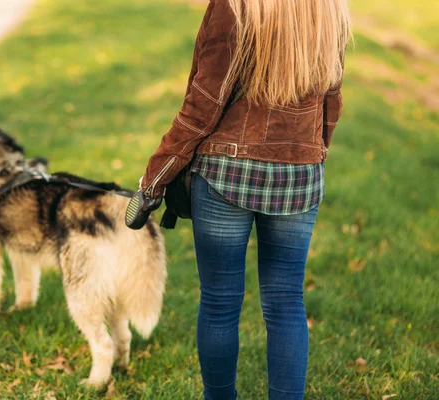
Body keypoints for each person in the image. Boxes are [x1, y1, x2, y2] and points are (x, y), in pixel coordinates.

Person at [139, 0, 351, 399]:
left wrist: (155, 178)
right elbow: (331, 101)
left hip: (225, 174)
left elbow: (201, 105)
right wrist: (310, 154)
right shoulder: (330, 9)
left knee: (220, 305)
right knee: (287, 303)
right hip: (299, 176)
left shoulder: (235, 5)